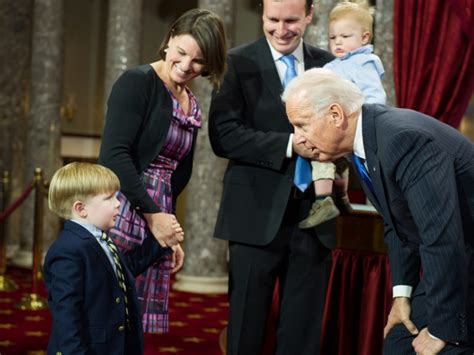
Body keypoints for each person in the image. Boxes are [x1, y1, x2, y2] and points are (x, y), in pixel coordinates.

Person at [283, 68, 474, 354]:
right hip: (455, 257)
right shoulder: (368, 142)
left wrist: (441, 331)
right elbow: (398, 226)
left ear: (335, 115)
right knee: (398, 342)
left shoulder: (402, 139)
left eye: (302, 125)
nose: (297, 139)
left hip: (461, 256)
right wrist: (402, 295)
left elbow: (441, 235)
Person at [208, 0, 335, 354]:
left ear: (310, 15)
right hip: (253, 215)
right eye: (273, 19)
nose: (281, 29)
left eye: (292, 20)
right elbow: (224, 135)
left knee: (302, 335)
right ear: (262, 15)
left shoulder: (329, 65)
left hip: (315, 218)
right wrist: (291, 144)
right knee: (246, 330)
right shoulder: (236, 61)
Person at [98, 9, 227, 333]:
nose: (186, 66)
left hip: (157, 215)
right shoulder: (138, 82)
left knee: (134, 326)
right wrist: (153, 215)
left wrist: (168, 232)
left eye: (198, 61)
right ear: (169, 40)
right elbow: (114, 156)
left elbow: (177, 174)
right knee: (106, 316)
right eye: (182, 52)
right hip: (123, 209)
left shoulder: (191, 101)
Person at [44, 162, 175, 354]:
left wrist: (161, 241)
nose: (118, 203)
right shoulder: (68, 250)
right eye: (109, 198)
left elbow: (124, 269)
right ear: (81, 209)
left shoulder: (100, 238)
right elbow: (67, 315)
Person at [299, 0, 387, 229]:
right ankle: (341, 198)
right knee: (339, 165)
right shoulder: (337, 65)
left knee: (322, 156)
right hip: (338, 126)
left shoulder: (363, 63)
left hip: (351, 127)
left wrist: (362, 119)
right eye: (333, 37)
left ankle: (323, 200)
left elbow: (375, 97)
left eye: (345, 37)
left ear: (364, 38)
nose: (337, 42)